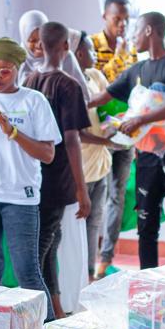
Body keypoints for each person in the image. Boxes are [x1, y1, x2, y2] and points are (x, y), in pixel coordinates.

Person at [89, 12, 165, 268]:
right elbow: (103, 97)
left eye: (136, 31)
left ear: (149, 30)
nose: (133, 37)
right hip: (148, 162)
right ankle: (147, 281)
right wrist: (74, 103)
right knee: (146, 227)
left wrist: (140, 119)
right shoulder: (136, 70)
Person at [0, 38, 59, 319]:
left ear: (17, 69)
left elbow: (48, 154)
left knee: (27, 271)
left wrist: (12, 131)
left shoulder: (33, 101)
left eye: (4, 71)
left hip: (20, 197)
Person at [24, 23, 94, 319]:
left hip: (33, 172)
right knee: (42, 247)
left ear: (40, 44)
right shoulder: (68, 85)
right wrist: (82, 188)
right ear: (66, 46)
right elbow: (72, 139)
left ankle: (54, 307)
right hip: (58, 176)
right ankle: (38, 313)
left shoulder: (29, 80)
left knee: (49, 241)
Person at [90, 0, 136, 278]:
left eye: (126, 20)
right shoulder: (91, 45)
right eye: (117, 19)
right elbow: (99, 85)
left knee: (117, 196)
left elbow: (134, 86)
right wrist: (119, 55)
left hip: (125, 130)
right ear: (105, 16)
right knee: (97, 195)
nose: (122, 25)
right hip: (99, 133)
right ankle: (88, 258)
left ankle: (105, 260)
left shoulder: (132, 48)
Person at [71, 30, 113, 279]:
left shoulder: (96, 75)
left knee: (95, 222)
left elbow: (107, 109)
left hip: (100, 164)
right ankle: (76, 276)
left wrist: (117, 127)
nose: (95, 53)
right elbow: (76, 133)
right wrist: (107, 141)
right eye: (90, 49)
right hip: (81, 167)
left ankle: (89, 273)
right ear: (77, 53)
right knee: (78, 225)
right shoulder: (70, 83)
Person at [17, 10, 87, 95]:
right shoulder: (18, 61)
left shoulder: (65, 56)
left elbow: (83, 95)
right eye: (32, 40)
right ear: (24, 40)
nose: (39, 44)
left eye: (42, 38)